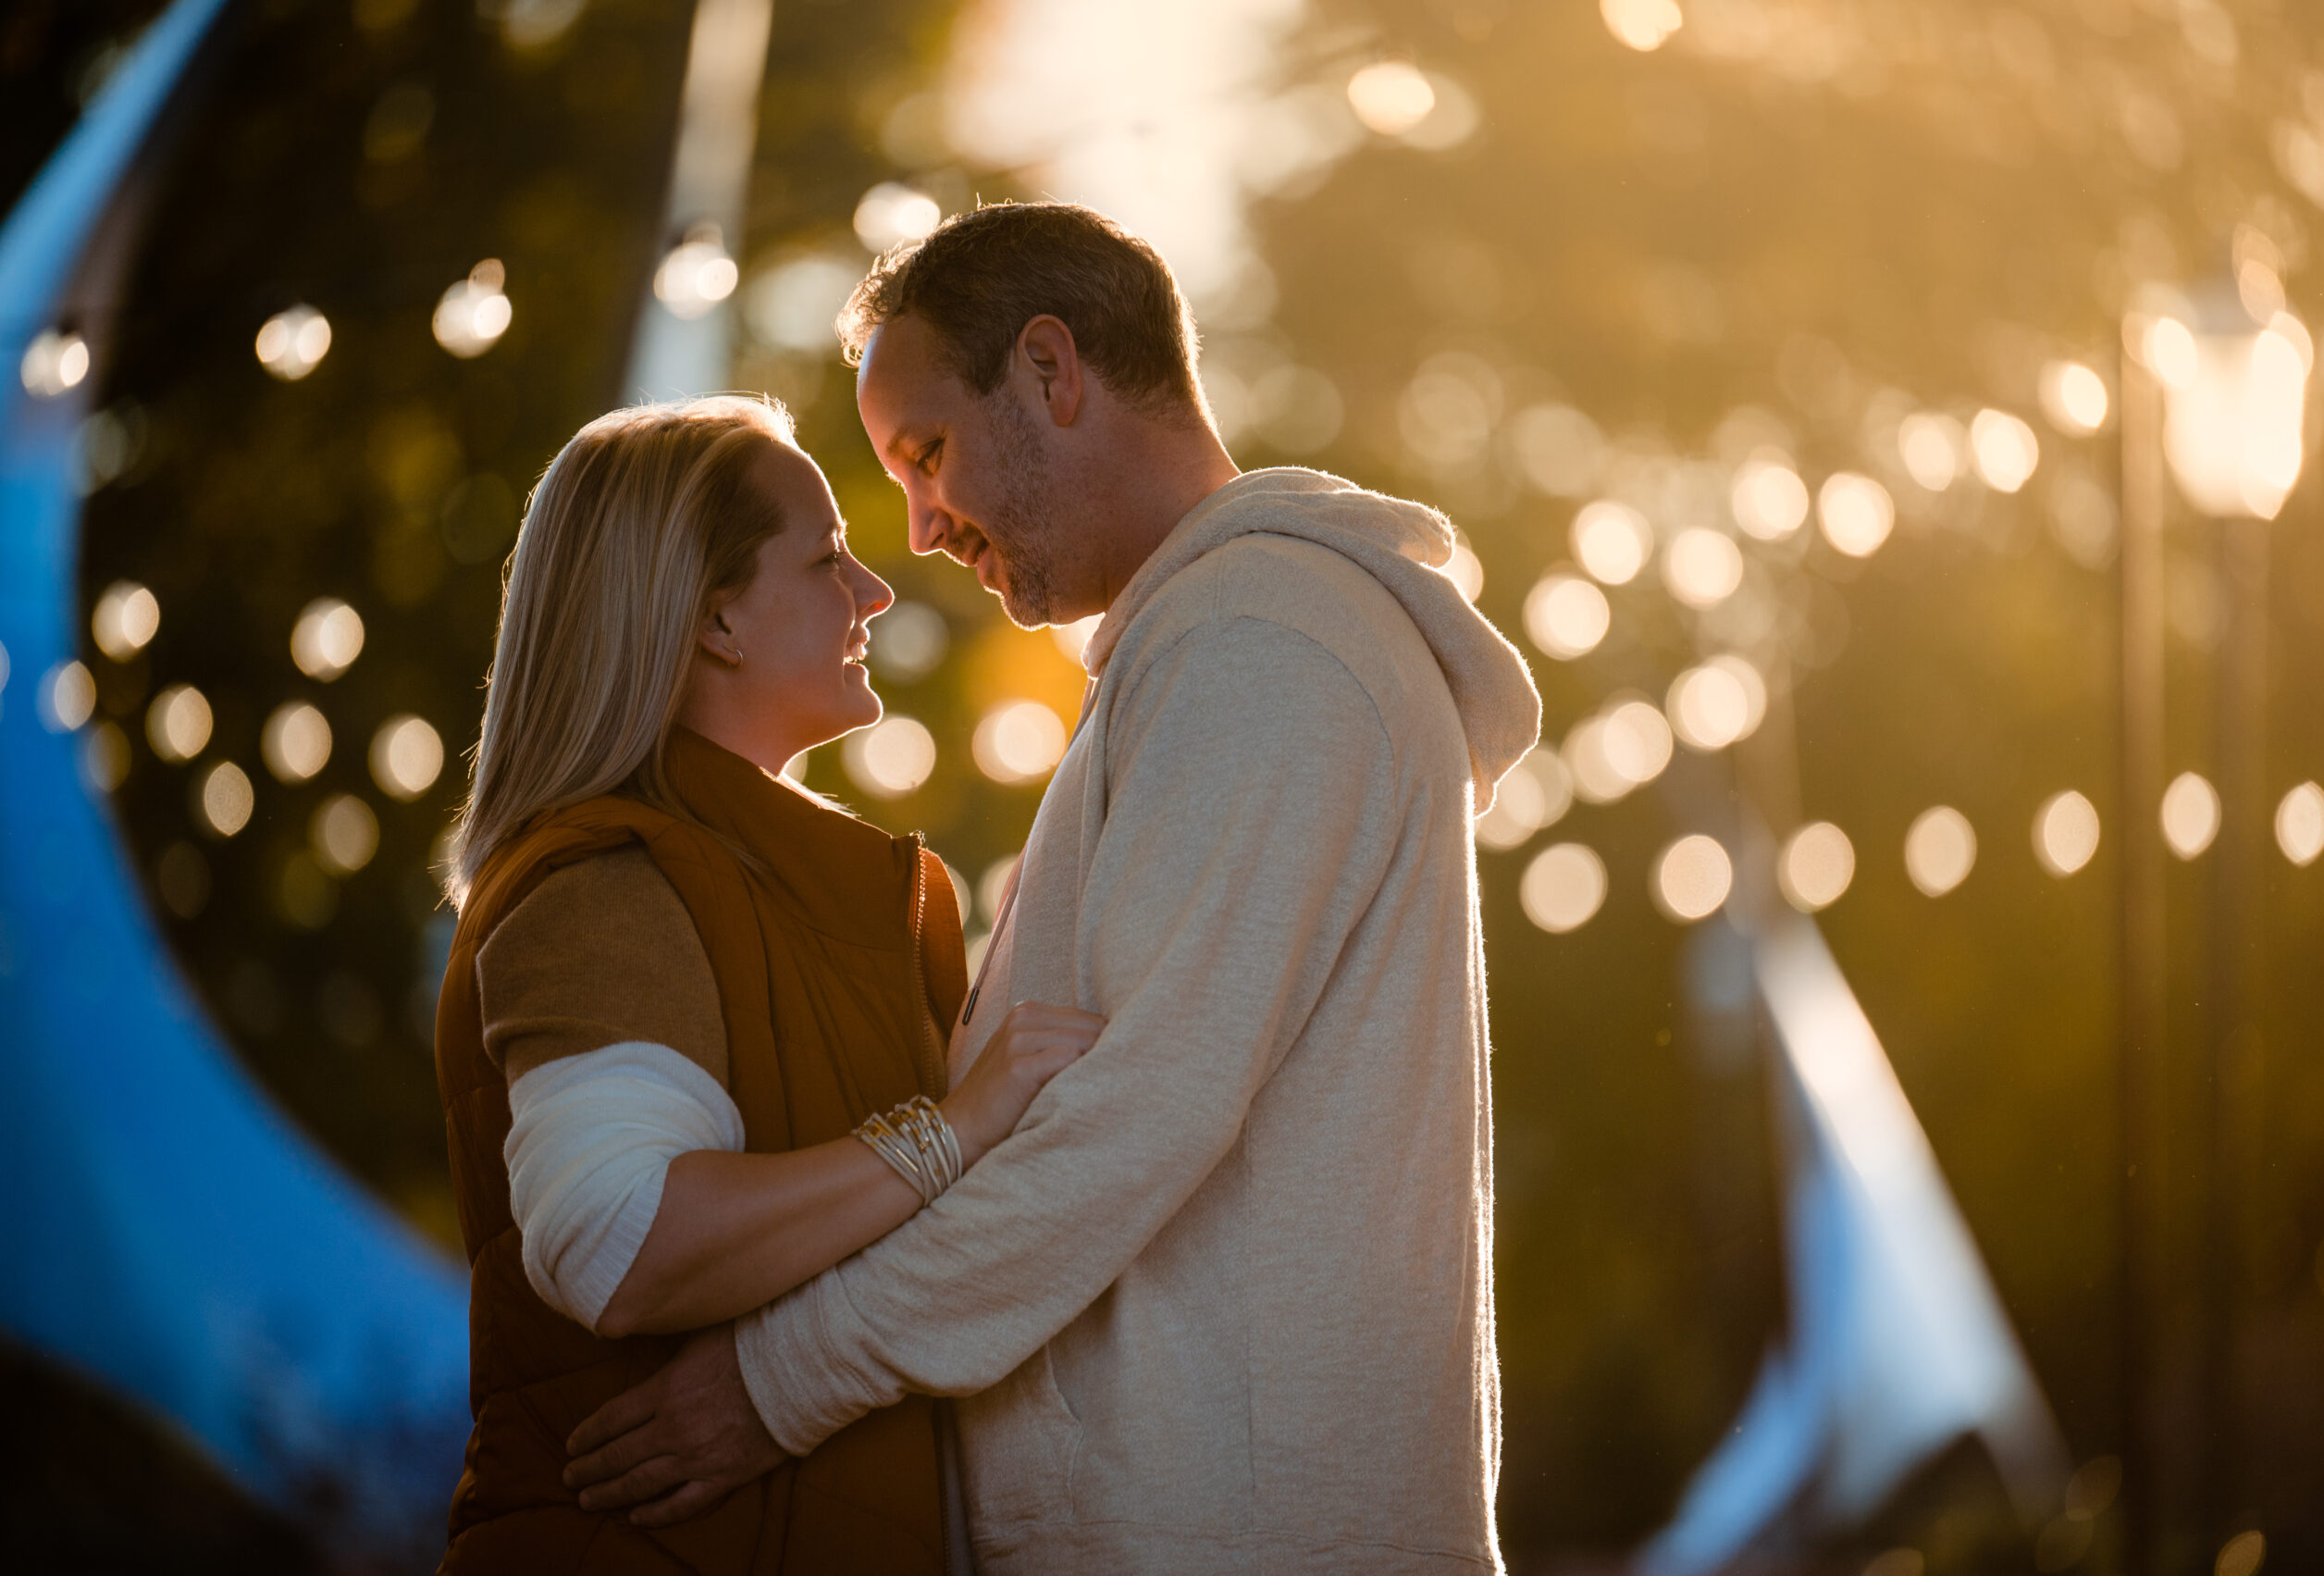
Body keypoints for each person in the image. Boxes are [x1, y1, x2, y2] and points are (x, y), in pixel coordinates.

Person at [565, 204, 1543, 1573]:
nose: (915, 529)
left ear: (1048, 370)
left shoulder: (1262, 646)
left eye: (927, 452)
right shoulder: (1207, 648)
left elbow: (1130, 1113)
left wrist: (777, 1379)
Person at [431, 394, 1103, 1572]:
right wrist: (954, 1130)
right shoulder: (605, 879)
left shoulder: (825, 890)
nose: (875, 591)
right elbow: (621, 1242)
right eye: (825, 557)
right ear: (713, 620)